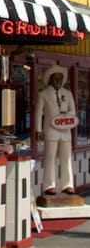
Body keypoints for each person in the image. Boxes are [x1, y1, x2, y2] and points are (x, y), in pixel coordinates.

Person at [36, 66, 76, 195]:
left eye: (60, 78)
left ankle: (68, 185)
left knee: (67, 158)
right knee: (50, 158)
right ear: (50, 79)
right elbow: (38, 113)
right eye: (55, 78)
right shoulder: (43, 94)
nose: (58, 81)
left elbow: (73, 111)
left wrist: (66, 115)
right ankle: (49, 185)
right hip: (51, 130)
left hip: (65, 130)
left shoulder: (68, 94)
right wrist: (38, 130)